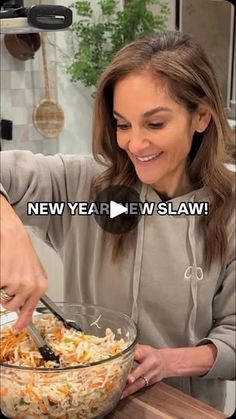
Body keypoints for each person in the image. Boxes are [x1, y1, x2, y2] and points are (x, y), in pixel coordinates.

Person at [0, 30, 235, 412]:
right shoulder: (83, 184)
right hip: (77, 400)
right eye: (123, 124)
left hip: (176, 406)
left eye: (155, 124)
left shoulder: (230, 211)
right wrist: (10, 232)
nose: (134, 144)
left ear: (202, 116)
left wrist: (169, 361)